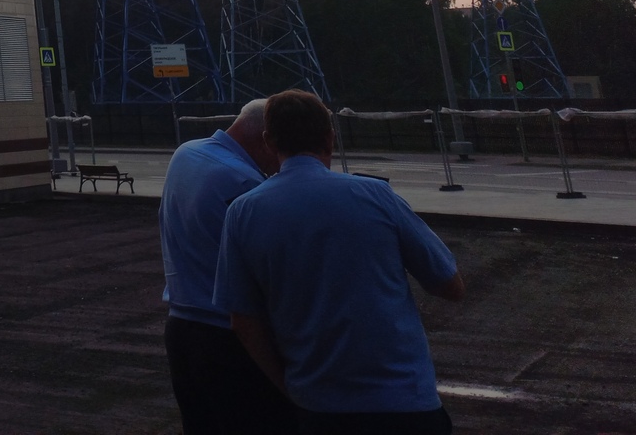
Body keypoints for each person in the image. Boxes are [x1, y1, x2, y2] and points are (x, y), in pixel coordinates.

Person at [216, 90, 465, 434]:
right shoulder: (375, 195)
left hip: (318, 407)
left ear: (269, 142)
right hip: (404, 402)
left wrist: (290, 388)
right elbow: (449, 284)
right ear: (330, 138)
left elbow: (243, 321)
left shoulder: (242, 212)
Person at [157, 98, 294, 434]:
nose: (277, 162)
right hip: (228, 341)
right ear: (265, 138)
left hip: (180, 328)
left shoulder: (187, 153)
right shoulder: (244, 184)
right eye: (277, 148)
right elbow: (271, 274)